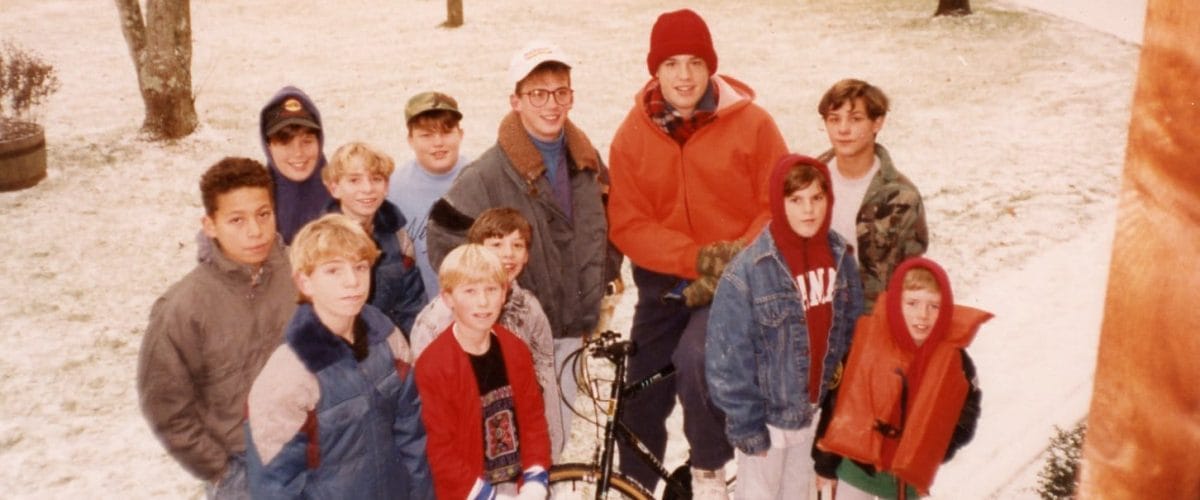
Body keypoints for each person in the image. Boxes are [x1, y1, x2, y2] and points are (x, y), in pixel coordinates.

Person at [605, 8, 789, 496]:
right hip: (665, 285)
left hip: (736, 280)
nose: (684, 76)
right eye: (671, 64)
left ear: (710, 66)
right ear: (655, 70)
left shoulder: (752, 124)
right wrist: (693, 259)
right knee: (640, 387)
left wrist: (734, 257)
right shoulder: (633, 134)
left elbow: (777, 204)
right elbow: (628, 222)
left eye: (694, 62)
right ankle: (632, 487)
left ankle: (709, 472)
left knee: (697, 358)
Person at [426, 40, 610, 439]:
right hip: (512, 342)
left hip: (570, 336)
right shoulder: (486, 175)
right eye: (537, 94)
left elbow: (610, 225)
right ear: (515, 100)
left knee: (555, 445)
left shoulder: (587, 162)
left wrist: (600, 282)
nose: (551, 104)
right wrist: (494, 301)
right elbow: (443, 238)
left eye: (561, 92)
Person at [137, 157, 297, 499]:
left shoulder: (301, 274)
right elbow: (166, 407)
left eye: (263, 214)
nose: (255, 231)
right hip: (241, 466)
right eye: (236, 220)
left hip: (309, 450)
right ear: (210, 225)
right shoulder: (182, 308)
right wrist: (221, 470)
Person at [706, 155, 864, 499]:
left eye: (817, 198)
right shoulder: (748, 272)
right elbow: (727, 362)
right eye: (796, 200)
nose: (809, 210)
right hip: (768, 423)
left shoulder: (840, 257)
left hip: (814, 415)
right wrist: (748, 427)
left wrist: (836, 414)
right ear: (780, 202)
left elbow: (853, 334)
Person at [244, 214, 433, 499]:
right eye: (333, 271)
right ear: (305, 282)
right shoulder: (288, 376)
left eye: (360, 267)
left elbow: (414, 440)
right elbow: (274, 487)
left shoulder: (389, 338)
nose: (352, 282)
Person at [813, 257, 989, 500]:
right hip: (853, 471)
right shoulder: (864, 347)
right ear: (896, 303)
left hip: (902, 484)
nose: (923, 314)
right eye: (913, 303)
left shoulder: (956, 363)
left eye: (934, 306)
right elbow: (834, 407)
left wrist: (936, 449)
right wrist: (824, 465)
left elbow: (967, 411)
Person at [409, 207, 565, 461]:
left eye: (518, 245)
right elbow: (424, 401)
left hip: (516, 446)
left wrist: (550, 452)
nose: (508, 254)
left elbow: (545, 378)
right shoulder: (436, 319)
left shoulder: (529, 309)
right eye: (497, 244)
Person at [415, 244, 552, 500]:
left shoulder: (515, 349)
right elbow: (438, 448)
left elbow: (532, 419)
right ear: (448, 298)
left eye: (491, 289)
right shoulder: (434, 365)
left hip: (516, 484)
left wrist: (535, 478)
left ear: (504, 293)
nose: (483, 301)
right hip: (468, 491)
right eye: (470, 291)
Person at [815, 79, 928, 312]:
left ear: (877, 122)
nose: (843, 129)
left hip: (873, 323)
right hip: (814, 318)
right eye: (834, 119)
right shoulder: (808, 181)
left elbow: (911, 275)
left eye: (855, 119)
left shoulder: (902, 197)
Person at [322, 141, 426, 334]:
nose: (367, 188)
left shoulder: (399, 237)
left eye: (376, 179)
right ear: (334, 188)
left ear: (386, 186)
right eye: (354, 180)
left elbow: (412, 304)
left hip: (392, 345)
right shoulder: (320, 242)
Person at [387, 91, 471, 299]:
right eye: (426, 135)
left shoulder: (481, 179)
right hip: (421, 312)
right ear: (410, 140)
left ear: (461, 134)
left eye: (446, 132)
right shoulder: (393, 189)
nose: (438, 143)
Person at [260, 85, 333, 244]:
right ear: (268, 147)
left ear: (319, 142)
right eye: (285, 143)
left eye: (307, 141)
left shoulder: (344, 195)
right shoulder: (255, 204)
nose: (298, 152)